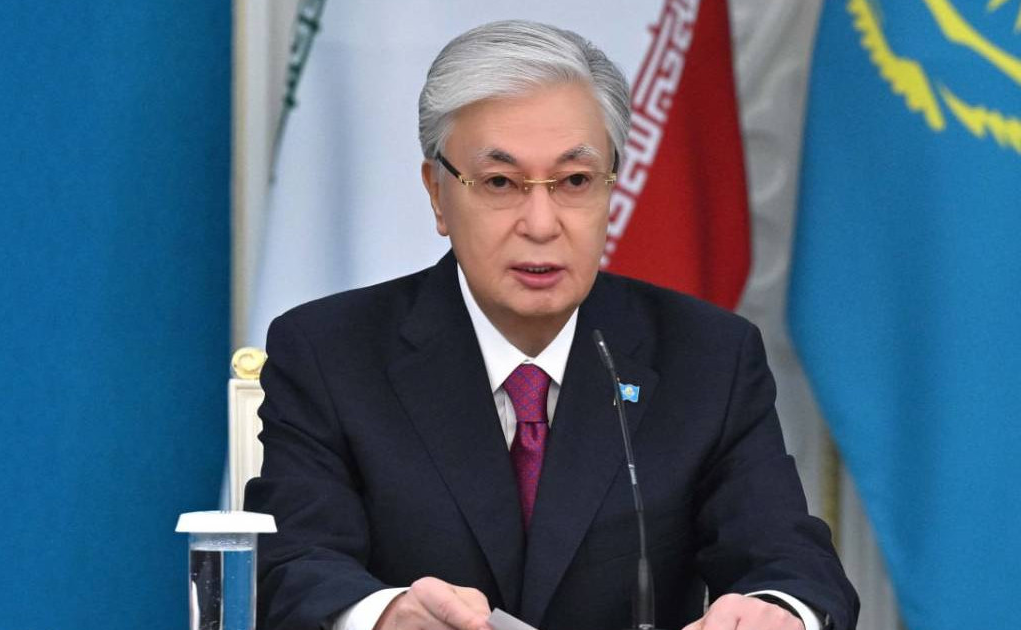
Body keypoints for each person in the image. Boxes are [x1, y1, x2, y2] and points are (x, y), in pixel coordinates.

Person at [245, 20, 858, 630]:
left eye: (575, 182)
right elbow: (291, 563)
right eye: (500, 183)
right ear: (437, 193)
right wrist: (385, 616)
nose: (541, 224)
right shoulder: (329, 353)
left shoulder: (707, 356)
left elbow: (789, 563)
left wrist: (780, 612)